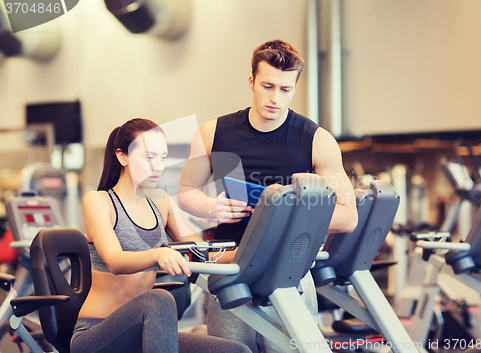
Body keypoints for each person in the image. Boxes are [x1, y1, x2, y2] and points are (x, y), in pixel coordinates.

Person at [177, 40, 358, 352]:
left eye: (285, 89)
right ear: (251, 82)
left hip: (290, 273)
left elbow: (348, 216)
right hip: (231, 270)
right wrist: (211, 206)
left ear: (295, 87)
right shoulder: (213, 132)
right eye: (268, 86)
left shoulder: (317, 140)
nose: (275, 98)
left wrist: (293, 217)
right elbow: (185, 192)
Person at [71, 118, 252, 353]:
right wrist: (158, 254)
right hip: (97, 335)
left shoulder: (160, 201)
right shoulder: (99, 201)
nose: (158, 166)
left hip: (145, 331)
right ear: (122, 156)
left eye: (163, 157)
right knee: (159, 298)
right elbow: (115, 261)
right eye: (149, 157)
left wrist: (249, 253)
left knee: (236, 351)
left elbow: (202, 251)